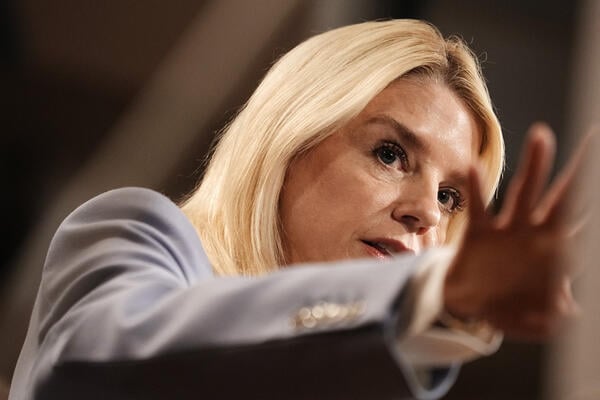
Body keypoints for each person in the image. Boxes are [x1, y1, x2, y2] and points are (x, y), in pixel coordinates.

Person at [8, 19, 584, 400]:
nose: (427, 214)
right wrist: (434, 295)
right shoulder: (137, 235)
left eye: (449, 196)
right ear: (285, 143)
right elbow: (103, 365)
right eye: (390, 154)